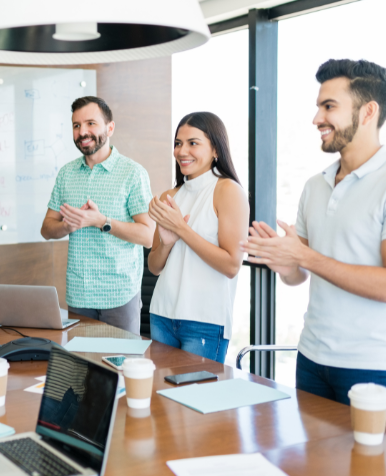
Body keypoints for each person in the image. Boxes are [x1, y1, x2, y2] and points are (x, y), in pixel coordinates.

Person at [241, 59, 386, 424]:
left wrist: (305, 256)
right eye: (318, 107)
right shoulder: (316, 185)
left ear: (368, 112)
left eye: (329, 107)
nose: (317, 118)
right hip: (311, 358)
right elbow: (299, 274)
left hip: (372, 369)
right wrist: (285, 262)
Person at [40, 96, 155, 334]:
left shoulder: (132, 173)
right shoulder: (66, 174)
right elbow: (47, 228)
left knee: (120, 368)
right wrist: (67, 227)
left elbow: (147, 236)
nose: (83, 132)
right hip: (79, 294)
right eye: (76, 125)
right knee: (82, 368)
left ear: (109, 127)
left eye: (91, 123)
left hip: (119, 295)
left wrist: (102, 221)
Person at [146, 112, 249, 362]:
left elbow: (231, 265)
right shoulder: (170, 195)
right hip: (162, 315)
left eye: (193, 143)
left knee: (193, 398)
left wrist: (182, 230)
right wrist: (167, 245)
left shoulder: (228, 190)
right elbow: (154, 266)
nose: (182, 151)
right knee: (160, 398)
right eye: (178, 143)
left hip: (204, 320)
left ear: (216, 149)